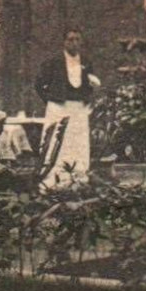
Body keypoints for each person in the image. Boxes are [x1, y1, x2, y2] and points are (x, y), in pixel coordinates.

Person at [34, 28, 100, 184]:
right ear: (64, 42)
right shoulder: (53, 62)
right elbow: (38, 84)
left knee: (78, 141)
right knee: (56, 140)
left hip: (79, 108)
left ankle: (79, 177)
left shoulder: (86, 62)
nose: (74, 43)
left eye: (77, 39)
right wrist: (51, 101)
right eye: (70, 39)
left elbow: (88, 84)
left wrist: (91, 89)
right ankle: (51, 177)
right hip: (59, 107)